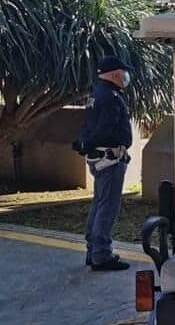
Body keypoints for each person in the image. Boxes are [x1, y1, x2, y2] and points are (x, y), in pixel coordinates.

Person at [72, 56, 134, 271]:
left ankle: (93, 250)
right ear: (116, 73)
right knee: (107, 207)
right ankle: (101, 254)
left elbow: (90, 127)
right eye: (124, 72)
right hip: (110, 160)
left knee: (99, 204)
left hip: (99, 158)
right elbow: (106, 129)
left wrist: (85, 144)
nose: (126, 76)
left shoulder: (96, 95)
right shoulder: (111, 97)